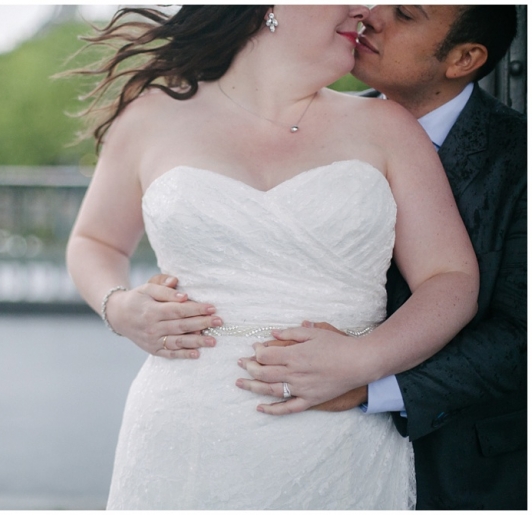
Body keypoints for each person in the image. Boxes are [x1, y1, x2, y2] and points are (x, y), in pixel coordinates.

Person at [65, 5, 479, 509]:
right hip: (183, 433)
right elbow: (94, 242)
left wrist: (363, 360)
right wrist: (120, 307)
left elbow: (451, 278)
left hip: (337, 438)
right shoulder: (151, 115)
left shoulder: (388, 126)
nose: (362, 9)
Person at [232, 5, 526, 510]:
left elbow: (520, 335)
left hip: (459, 471)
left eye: (406, 15)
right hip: (284, 439)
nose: (371, 15)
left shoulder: (519, 158)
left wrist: (370, 383)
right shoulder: (314, 120)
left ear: (463, 58)